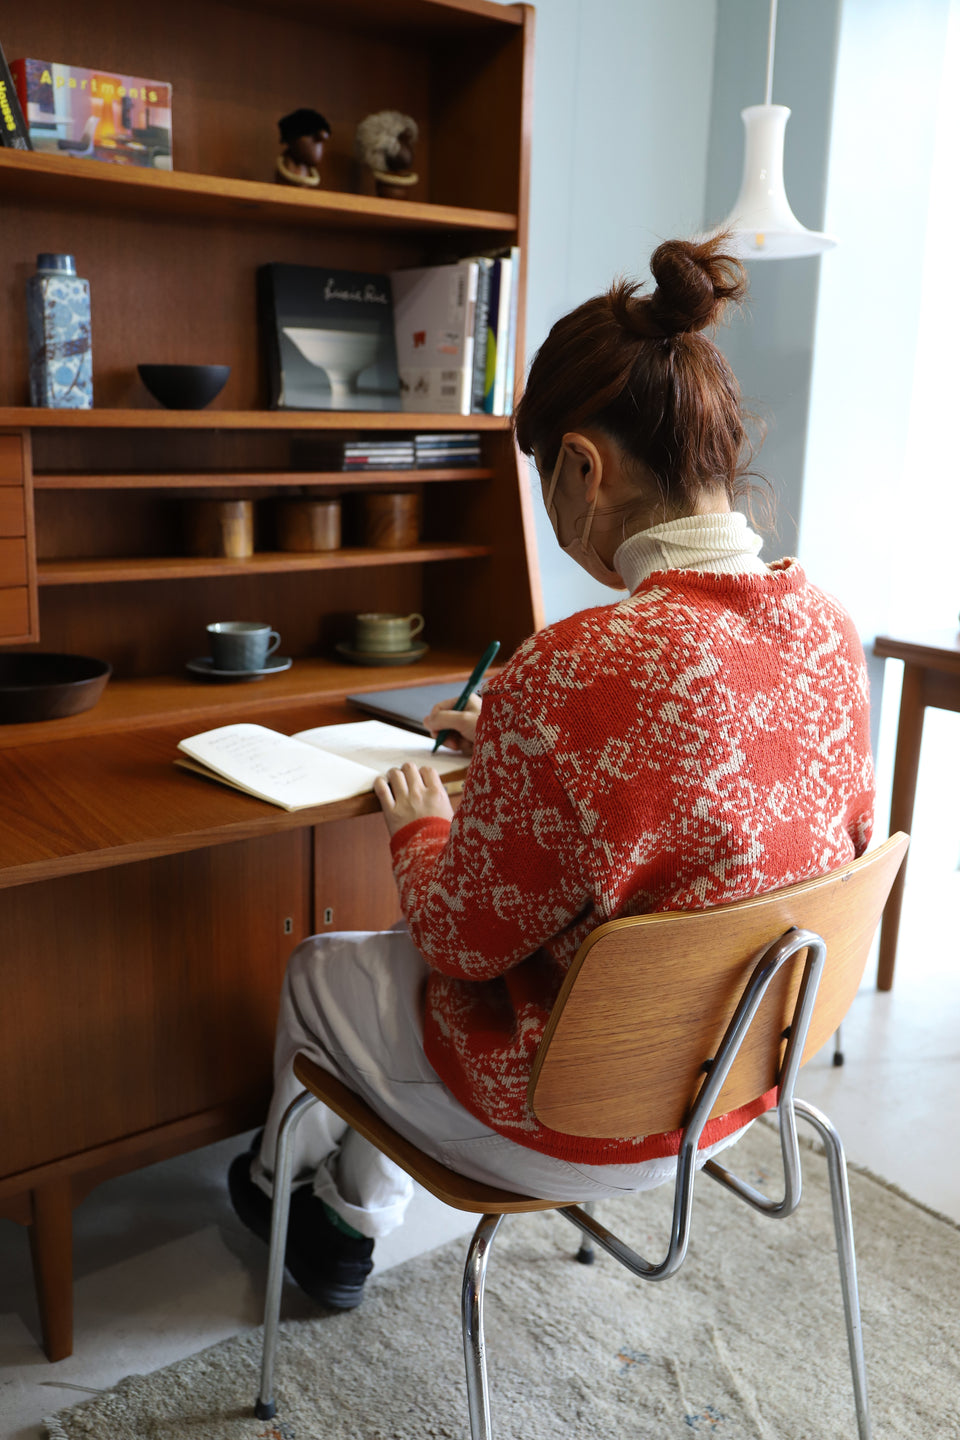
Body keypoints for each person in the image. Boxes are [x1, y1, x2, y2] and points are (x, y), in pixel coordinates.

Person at [228, 233, 875, 1309]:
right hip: (737, 1093)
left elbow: (457, 939)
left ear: (583, 465)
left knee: (326, 970)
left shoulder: (568, 673)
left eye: (546, 481)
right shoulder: (825, 630)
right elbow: (758, 820)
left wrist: (421, 819)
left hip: (576, 1114)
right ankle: (347, 1205)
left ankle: (292, 1201)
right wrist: (530, 752)